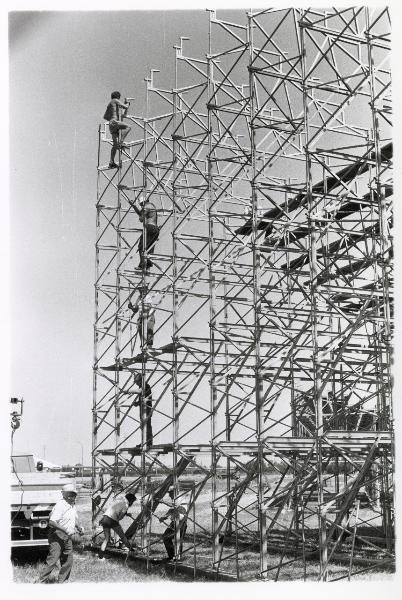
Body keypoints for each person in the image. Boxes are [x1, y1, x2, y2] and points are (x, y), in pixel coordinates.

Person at [37, 483, 84, 583]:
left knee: (68, 560)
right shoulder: (61, 505)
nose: (73, 496)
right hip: (57, 535)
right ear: (65, 495)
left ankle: (62, 581)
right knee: (53, 560)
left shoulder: (72, 505)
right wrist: (65, 530)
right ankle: (40, 582)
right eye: (71, 494)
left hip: (67, 536)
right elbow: (52, 522)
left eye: (74, 494)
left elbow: (74, 519)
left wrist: (79, 527)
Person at [98, 492, 137, 560]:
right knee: (123, 536)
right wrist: (124, 514)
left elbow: (116, 509)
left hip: (105, 518)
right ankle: (132, 551)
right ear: (131, 500)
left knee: (107, 539)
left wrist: (126, 513)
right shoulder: (126, 505)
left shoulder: (119, 499)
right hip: (112, 520)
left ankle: (100, 557)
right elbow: (120, 517)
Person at [103, 91, 131, 169]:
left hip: (111, 124)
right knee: (129, 127)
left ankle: (111, 162)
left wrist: (112, 117)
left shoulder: (110, 105)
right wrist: (127, 103)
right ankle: (121, 142)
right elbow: (126, 106)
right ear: (118, 97)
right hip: (115, 122)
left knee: (115, 145)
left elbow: (105, 117)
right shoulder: (115, 100)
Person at [159, 486, 188, 561]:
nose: (169, 495)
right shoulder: (176, 499)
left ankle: (176, 557)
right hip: (175, 521)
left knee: (176, 540)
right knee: (167, 538)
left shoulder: (179, 498)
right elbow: (172, 509)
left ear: (175, 492)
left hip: (181, 522)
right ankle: (173, 556)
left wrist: (163, 501)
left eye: (170, 493)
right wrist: (165, 517)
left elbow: (174, 507)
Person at [133, 372, 153, 448]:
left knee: (147, 426)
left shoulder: (146, 386)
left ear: (140, 380)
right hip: (143, 408)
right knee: (143, 426)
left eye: (136, 382)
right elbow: (143, 399)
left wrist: (127, 391)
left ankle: (148, 442)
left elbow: (140, 392)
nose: (136, 384)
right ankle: (144, 442)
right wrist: (137, 403)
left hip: (147, 409)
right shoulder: (142, 386)